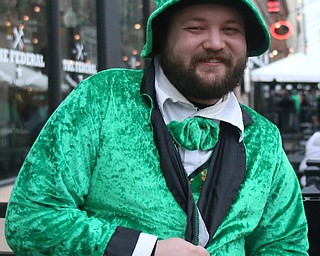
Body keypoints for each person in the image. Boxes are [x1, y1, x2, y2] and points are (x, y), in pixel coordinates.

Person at [5, 0, 308, 255]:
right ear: (163, 37)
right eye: (195, 27)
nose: (215, 42)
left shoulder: (264, 137)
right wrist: (146, 249)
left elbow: (284, 243)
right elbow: (31, 217)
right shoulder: (103, 97)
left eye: (231, 29)